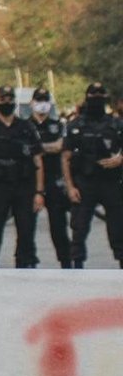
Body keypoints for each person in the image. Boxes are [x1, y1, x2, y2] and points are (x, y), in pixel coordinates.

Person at [0, 84, 44, 268]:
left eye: (10, 99)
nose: (7, 102)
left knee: (26, 229)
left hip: (24, 186)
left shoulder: (26, 128)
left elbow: (38, 161)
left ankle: (25, 266)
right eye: (3, 99)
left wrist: (39, 192)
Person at [62, 81, 123, 269]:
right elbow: (66, 157)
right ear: (86, 98)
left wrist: (120, 159)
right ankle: (77, 267)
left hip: (111, 183)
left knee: (118, 228)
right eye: (92, 96)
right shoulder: (75, 125)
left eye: (100, 96)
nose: (96, 100)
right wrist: (70, 187)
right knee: (79, 228)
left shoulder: (116, 124)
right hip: (84, 182)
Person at [29, 87, 73, 268]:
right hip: (30, 181)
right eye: (38, 100)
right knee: (27, 227)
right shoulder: (25, 125)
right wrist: (47, 148)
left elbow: (60, 146)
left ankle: (66, 262)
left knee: (58, 226)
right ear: (32, 103)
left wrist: (37, 149)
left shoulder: (58, 125)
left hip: (54, 180)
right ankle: (27, 262)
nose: (42, 104)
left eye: (45, 100)